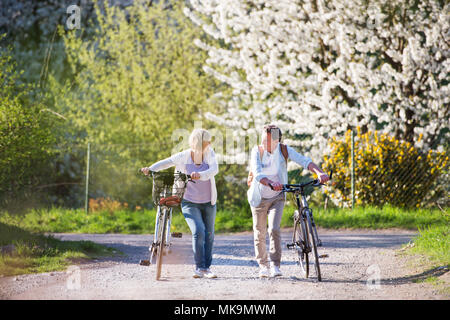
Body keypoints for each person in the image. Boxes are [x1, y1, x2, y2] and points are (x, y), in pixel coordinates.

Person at [247, 124, 330, 278]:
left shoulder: (284, 150)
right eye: (263, 140)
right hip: (259, 197)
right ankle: (263, 266)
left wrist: (320, 172)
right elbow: (257, 173)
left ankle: (275, 265)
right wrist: (271, 183)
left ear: (277, 141)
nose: (264, 144)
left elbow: (304, 161)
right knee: (260, 232)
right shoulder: (256, 151)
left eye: (268, 141)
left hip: (277, 196)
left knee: (274, 229)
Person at [141, 129, 219, 279]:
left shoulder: (210, 153)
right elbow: (167, 162)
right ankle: (199, 268)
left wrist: (200, 175)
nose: (209, 143)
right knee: (198, 231)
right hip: (189, 201)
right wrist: (150, 169)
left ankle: (207, 268)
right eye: (206, 141)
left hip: (209, 201)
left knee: (209, 235)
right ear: (198, 142)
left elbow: (214, 169)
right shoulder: (184, 155)